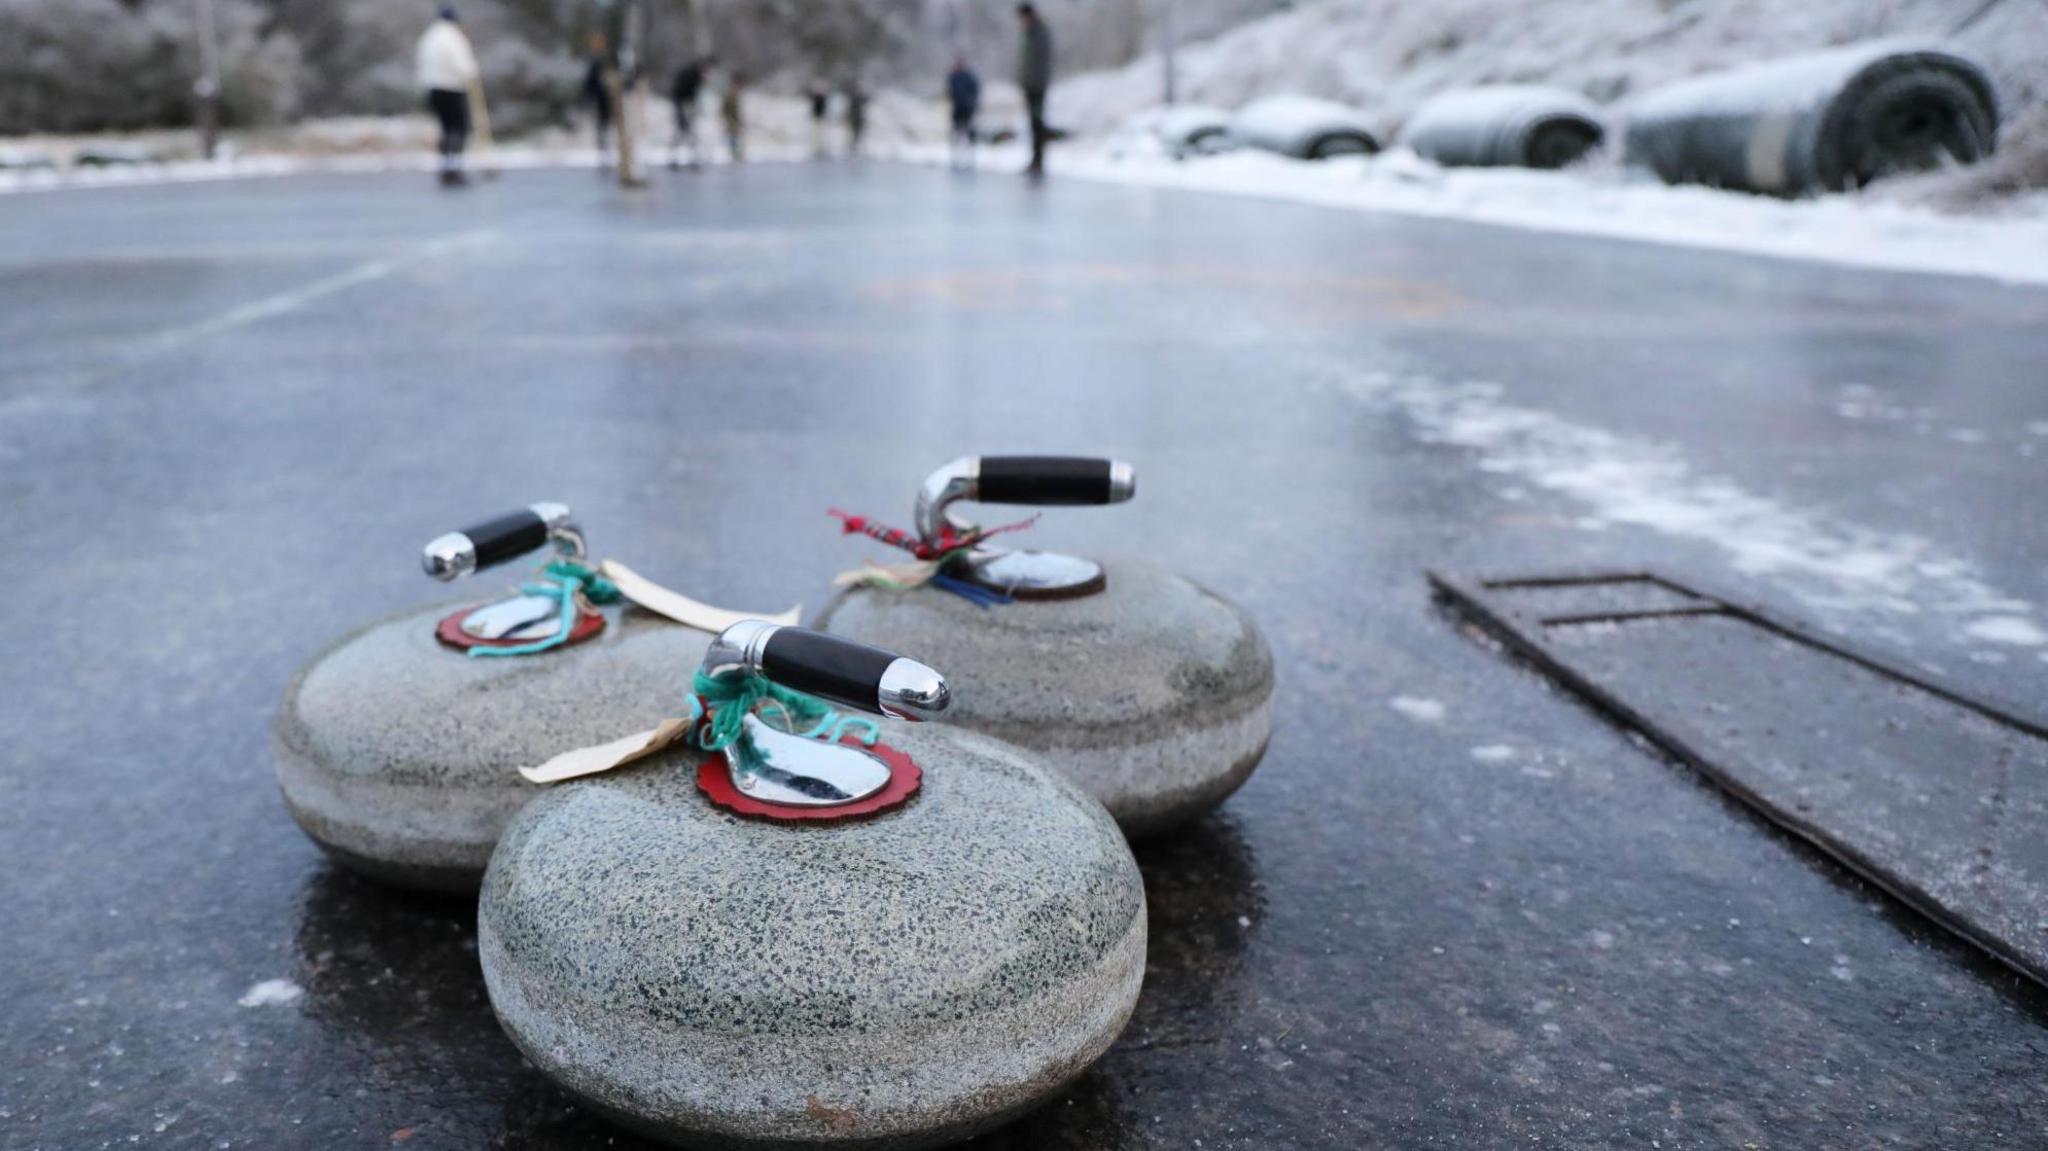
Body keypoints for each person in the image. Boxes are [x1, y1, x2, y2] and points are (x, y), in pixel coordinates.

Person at [415, 7, 480, 187]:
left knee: (445, 129)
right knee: (459, 128)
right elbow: (463, 65)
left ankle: (445, 167)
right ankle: (455, 168)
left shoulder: (427, 37)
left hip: (432, 90)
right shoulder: (454, 37)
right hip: (452, 88)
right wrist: (472, 73)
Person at [1016, 4, 1054, 176]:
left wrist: (1035, 81)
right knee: (1033, 123)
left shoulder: (1039, 33)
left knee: (1037, 122)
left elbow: (1040, 62)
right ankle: (1035, 160)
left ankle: (1038, 160)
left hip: (1037, 85)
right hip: (1030, 84)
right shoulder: (1029, 33)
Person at [670, 54, 709, 169]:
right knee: (684, 132)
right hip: (683, 106)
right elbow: (682, 93)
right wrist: (682, 113)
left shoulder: (695, 75)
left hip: (685, 106)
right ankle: (677, 158)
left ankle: (689, 158)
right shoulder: (693, 75)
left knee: (687, 133)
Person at [582, 33, 614, 159]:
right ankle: (603, 148)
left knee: (605, 124)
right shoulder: (594, 63)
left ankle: (606, 147)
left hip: (608, 101)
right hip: (600, 100)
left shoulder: (605, 61)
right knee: (601, 125)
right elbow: (589, 83)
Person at [946, 57, 981, 167]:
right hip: (957, 107)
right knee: (956, 128)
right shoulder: (953, 77)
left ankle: (971, 149)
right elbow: (949, 90)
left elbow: (975, 90)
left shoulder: (969, 77)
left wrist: (972, 101)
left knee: (969, 128)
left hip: (967, 107)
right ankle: (955, 149)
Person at [721, 72, 747, 164]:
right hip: (731, 119)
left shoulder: (735, 93)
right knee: (733, 136)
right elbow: (725, 108)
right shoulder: (730, 94)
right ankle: (734, 154)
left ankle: (737, 154)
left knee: (736, 136)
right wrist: (729, 119)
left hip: (734, 119)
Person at [843, 80, 869, 159]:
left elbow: (865, 101)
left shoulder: (860, 97)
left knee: (859, 132)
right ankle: (852, 146)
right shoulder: (852, 97)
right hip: (854, 117)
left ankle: (856, 146)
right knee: (852, 132)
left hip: (859, 118)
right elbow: (850, 108)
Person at [806, 82, 831, 158]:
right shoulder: (816, 97)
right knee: (816, 134)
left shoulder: (824, 98)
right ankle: (816, 148)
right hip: (817, 118)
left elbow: (825, 108)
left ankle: (822, 147)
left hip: (822, 118)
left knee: (823, 134)